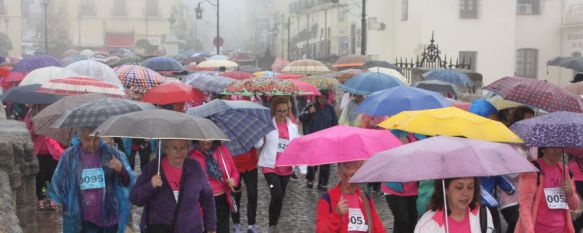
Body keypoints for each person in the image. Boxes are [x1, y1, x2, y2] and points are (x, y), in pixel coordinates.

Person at [48, 127, 136, 233]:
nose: (92, 144)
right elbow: (59, 187)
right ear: (79, 136)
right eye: (87, 139)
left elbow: (127, 183)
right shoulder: (70, 157)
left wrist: (120, 169)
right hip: (81, 220)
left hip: (109, 219)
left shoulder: (111, 154)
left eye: (96, 139)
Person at [130, 139, 217, 233]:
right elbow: (135, 197)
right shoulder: (153, 168)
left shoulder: (195, 167)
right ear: (166, 149)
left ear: (188, 149)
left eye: (183, 148)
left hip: (190, 228)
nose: (179, 152)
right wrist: (150, 185)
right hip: (160, 228)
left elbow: (207, 197)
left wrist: (211, 227)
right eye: (174, 148)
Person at [255, 96, 306, 231]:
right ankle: (272, 224)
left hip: (287, 168)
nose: (282, 114)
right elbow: (258, 145)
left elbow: (298, 147)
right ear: (274, 111)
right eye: (279, 111)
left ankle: (274, 222)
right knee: (276, 193)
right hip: (270, 167)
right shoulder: (268, 126)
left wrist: (303, 168)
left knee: (280, 197)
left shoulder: (293, 127)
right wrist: (260, 132)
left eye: (285, 110)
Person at [515, 147, 580, 233]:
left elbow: (575, 206)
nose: (556, 150)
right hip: (538, 229)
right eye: (551, 146)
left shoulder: (565, 171)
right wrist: (529, 230)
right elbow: (525, 205)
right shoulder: (533, 170)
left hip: (562, 229)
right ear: (543, 148)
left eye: (559, 147)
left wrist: (570, 193)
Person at [316, 161, 386, 233]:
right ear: (340, 172)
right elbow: (321, 231)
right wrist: (336, 215)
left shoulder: (365, 198)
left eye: (358, 173)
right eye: (349, 174)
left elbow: (378, 228)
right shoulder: (327, 199)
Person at [190, 140, 240, 233]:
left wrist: (233, 180)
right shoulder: (193, 156)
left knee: (223, 229)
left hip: (222, 199)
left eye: (209, 139)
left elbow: (234, 171)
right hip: (203, 202)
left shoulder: (222, 150)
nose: (206, 141)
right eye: (203, 139)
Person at [415, 177, 494, 233]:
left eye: (470, 187)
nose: (466, 193)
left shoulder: (483, 214)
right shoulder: (428, 225)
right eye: (459, 187)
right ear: (445, 189)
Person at [24, 106, 64, 209]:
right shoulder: (31, 114)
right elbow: (26, 131)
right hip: (38, 152)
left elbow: (58, 131)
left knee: (52, 176)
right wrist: (34, 128)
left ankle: (52, 199)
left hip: (52, 150)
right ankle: (40, 199)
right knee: (39, 177)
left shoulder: (54, 112)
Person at [299, 91, 338, 191]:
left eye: (324, 97)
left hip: (326, 139)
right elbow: (301, 117)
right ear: (316, 97)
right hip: (313, 138)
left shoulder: (330, 108)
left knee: (325, 163)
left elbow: (335, 123)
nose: (322, 99)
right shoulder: (310, 106)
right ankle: (310, 179)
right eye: (320, 97)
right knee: (313, 162)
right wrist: (308, 112)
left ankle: (322, 183)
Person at [383, 130, 419, 233]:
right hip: (393, 186)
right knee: (402, 220)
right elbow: (382, 158)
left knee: (412, 221)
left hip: (413, 188)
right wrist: (397, 145)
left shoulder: (416, 136)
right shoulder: (388, 134)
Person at [230, 148, 260, 233]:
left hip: (251, 164)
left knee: (252, 193)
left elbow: (258, 144)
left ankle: (252, 223)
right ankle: (236, 223)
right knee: (235, 195)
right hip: (234, 165)